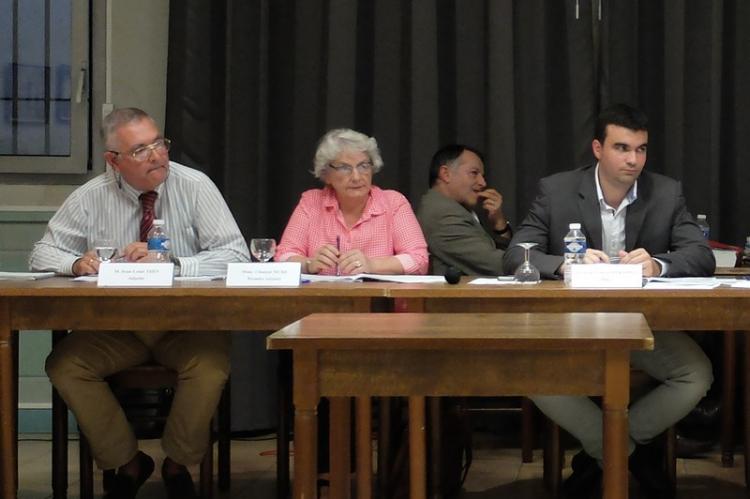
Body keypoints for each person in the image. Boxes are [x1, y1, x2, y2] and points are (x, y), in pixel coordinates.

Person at [30, 107, 250, 499]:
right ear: (113, 160)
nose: (157, 156)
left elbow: (236, 254)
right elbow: (42, 253)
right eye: (141, 150)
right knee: (66, 365)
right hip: (117, 329)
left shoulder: (195, 186)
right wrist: (76, 262)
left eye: (159, 144)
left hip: (186, 326)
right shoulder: (90, 197)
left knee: (211, 365)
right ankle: (127, 460)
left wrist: (176, 263)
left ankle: (177, 462)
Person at [502, 104, 714, 499]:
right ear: (598, 148)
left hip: (641, 323)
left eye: (641, 149)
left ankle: (601, 454)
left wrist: (658, 264)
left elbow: (700, 255)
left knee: (696, 375)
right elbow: (516, 254)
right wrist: (564, 265)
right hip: (572, 322)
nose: (634, 159)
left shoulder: (666, 192)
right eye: (622, 148)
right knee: (528, 372)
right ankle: (631, 455)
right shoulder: (557, 189)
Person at [276, 128, 428, 275]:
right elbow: (282, 256)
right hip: (321, 299)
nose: (356, 177)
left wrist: (372, 265)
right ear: (326, 174)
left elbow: (419, 259)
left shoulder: (394, 203)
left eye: (363, 166)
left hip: (378, 300)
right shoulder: (311, 203)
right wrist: (308, 264)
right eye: (344, 167)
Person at [417, 144, 512, 276]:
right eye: (474, 173)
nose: (483, 182)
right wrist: (545, 263)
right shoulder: (443, 215)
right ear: (446, 174)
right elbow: (498, 265)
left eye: (482, 176)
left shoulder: (455, 209)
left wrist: (500, 226)